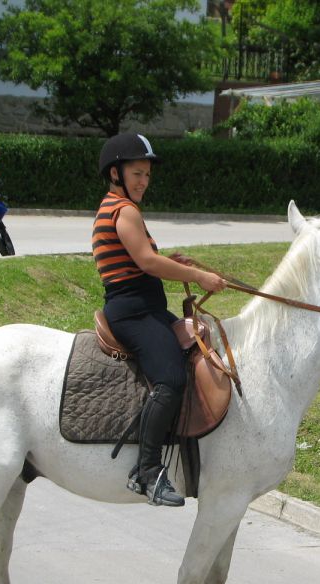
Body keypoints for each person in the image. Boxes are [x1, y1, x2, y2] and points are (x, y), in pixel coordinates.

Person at [94, 133, 226, 507]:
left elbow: (146, 259)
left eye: (147, 175)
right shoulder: (124, 210)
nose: (143, 182)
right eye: (137, 173)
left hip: (144, 306)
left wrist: (176, 263)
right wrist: (199, 277)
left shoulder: (117, 207)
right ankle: (147, 470)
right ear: (116, 172)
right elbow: (146, 262)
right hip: (133, 312)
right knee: (169, 377)